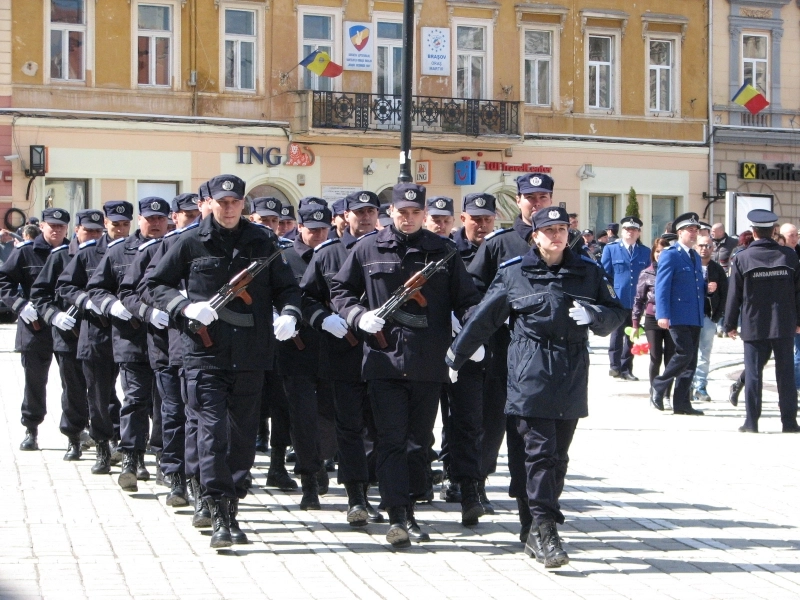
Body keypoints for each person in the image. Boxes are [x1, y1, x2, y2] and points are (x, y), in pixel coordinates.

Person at [447, 206, 626, 568]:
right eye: (549, 230)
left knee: (558, 458)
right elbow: (485, 318)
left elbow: (616, 313)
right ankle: (545, 529)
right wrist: (456, 355)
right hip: (529, 374)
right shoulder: (516, 273)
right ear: (535, 235)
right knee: (540, 455)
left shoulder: (587, 271)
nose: (557, 235)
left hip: (572, 375)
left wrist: (596, 316)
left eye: (562, 229)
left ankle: (532, 526)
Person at [147, 174, 302, 549]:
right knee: (211, 432)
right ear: (210, 203)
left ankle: (228, 493)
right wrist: (185, 306)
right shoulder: (189, 241)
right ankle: (220, 510)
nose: (229, 208)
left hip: (251, 354)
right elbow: (154, 285)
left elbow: (287, 287)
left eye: (235, 202)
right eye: (223, 202)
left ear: (243, 203)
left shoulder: (263, 241)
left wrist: (290, 314)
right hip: (204, 353)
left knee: (241, 437)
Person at [330, 183, 481, 548]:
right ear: (391, 212)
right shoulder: (368, 247)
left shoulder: (443, 251)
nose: (408, 218)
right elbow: (340, 289)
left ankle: (410, 508)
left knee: (418, 442)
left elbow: (467, 299)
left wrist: (471, 338)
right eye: (402, 212)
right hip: (383, 360)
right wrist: (356, 315)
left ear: (424, 213)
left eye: (415, 212)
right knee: (391, 440)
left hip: (428, 362)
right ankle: (397, 514)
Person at [466, 172, 558, 544]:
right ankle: (478, 482)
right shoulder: (500, 244)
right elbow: (471, 291)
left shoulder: (566, 241)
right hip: (502, 351)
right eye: (529, 197)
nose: (536, 203)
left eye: (542, 197)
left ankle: (533, 511)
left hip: (548, 358)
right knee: (490, 424)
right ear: (517, 201)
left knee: (537, 438)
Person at [301, 189, 384, 527]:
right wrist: (324, 319)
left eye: (370, 212)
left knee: (381, 429)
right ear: (344, 216)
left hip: (385, 354)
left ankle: (388, 491)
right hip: (343, 353)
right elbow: (306, 298)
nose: (364, 218)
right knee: (349, 428)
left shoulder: (389, 248)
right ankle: (357, 496)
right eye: (358, 212)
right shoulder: (328, 254)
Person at [87, 197, 170, 491]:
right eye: (151, 218)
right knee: (135, 399)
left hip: (167, 340)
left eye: (161, 218)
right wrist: (112, 305)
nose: (156, 223)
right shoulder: (119, 251)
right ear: (141, 220)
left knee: (165, 403)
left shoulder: (176, 247)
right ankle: (132, 459)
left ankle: (164, 462)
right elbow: (96, 288)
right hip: (130, 338)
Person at [57, 201, 132, 473]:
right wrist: (85, 301)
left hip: (129, 334)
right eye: (115, 225)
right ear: (106, 225)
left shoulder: (136, 251)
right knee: (98, 396)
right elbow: (65, 285)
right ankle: (102, 447)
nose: (121, 230)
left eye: (125, 224)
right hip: (96, 334)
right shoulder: (88, 254)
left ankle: (131, 450)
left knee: (136, 396)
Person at [278, 197, 338, 511]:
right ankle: (309, 480)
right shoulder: (284, 255)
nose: (317, 234)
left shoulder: (337, 254)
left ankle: (324, 460)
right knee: (302, 417)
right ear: (299, 227)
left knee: (329, 414)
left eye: (323, 229)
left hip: (333, 348)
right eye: (311, 229)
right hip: (296, 348)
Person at [30, 209, 104, 460]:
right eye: (88, 231)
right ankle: (74, 437)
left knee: (101, 390)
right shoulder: (60, 256)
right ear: (77, 231)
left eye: (97, 231)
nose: (92, 235)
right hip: (68, 334)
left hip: (98, 334)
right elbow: (39, 295)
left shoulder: (105, 255)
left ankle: (106, 437)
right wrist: (54, 316)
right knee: (72, 390)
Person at [439, 192, 497, 513]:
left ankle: (469, 481)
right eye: (476, 218)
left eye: (488, 218)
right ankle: (445, 473)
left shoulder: (499, 248)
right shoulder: (450, 250)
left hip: (483, 347)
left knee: (472, 418)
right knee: (445, 415)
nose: (482, 224)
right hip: (446, 341)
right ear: (463, 220)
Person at [0, 208, 70, 450]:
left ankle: (75, 430)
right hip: (35, 325)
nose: (56, 229)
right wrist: (19, 305)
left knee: (73, 382)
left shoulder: (73, 252)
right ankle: (31, 428)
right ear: (42, 226)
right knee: (34, 382)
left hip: (66, 326)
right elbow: (3, 280)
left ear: (67, 228)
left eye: (61, 226)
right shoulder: (26, 252)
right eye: (51, 225)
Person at [724, 210, 800, 433]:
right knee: (785, 374)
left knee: (754, 373)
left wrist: (729, 324)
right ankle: (789, 422)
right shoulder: (789, 256)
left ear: (754, 232)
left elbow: (734, 295)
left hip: (754, 324)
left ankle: (751, 422)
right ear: (773, 231)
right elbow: (799, 292)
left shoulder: (742, 258)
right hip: (784, 324)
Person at [650, 212, 706, 415]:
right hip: (677, 314)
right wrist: (662, 314)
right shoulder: (670, 254)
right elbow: (662, 286)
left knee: (690, 360)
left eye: (696, 230)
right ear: (680, 233)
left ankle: (682, 403)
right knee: (684, 353)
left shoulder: (695, 256)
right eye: (690, 230)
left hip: (694, 314)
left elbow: (694, 284)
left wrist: (707, 287)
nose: (694, 233)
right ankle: (659, 384)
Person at [601, 216, 650, 381]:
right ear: (622, 231)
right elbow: (605, 275)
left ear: (638, 233)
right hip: (618, 299)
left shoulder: (645, 251)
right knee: (616, 334)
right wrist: (609, 296)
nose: (630, 232)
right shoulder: (611, 249)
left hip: (636, 300)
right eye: (627, 229)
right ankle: (614, 366)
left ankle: (626, 368)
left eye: (634, 230)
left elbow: (648, 277)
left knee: (632, 335)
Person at [632, 238, 675, 398]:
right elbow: (639, 299)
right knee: (655, 356)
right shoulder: (646, 273)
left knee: (670, 359)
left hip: (671, 318)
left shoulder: (674, 271)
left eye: (663, 251)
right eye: (657, 251)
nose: (660, 254)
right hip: (652, 318)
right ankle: (655, 391)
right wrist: (635, 323)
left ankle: (667, 394)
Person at [691, 233, 728, 402]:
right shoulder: (689, 266)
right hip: (689, 316)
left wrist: (717, 315)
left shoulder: (717, 269)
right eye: (701, 245)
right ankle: (686, 384)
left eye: (708, 246)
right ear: (695, 247)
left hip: (708, 317)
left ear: (713, 249)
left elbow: (725, 294)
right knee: (687, 352)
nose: (704, 249)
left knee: (704, 353)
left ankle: (700, 385)